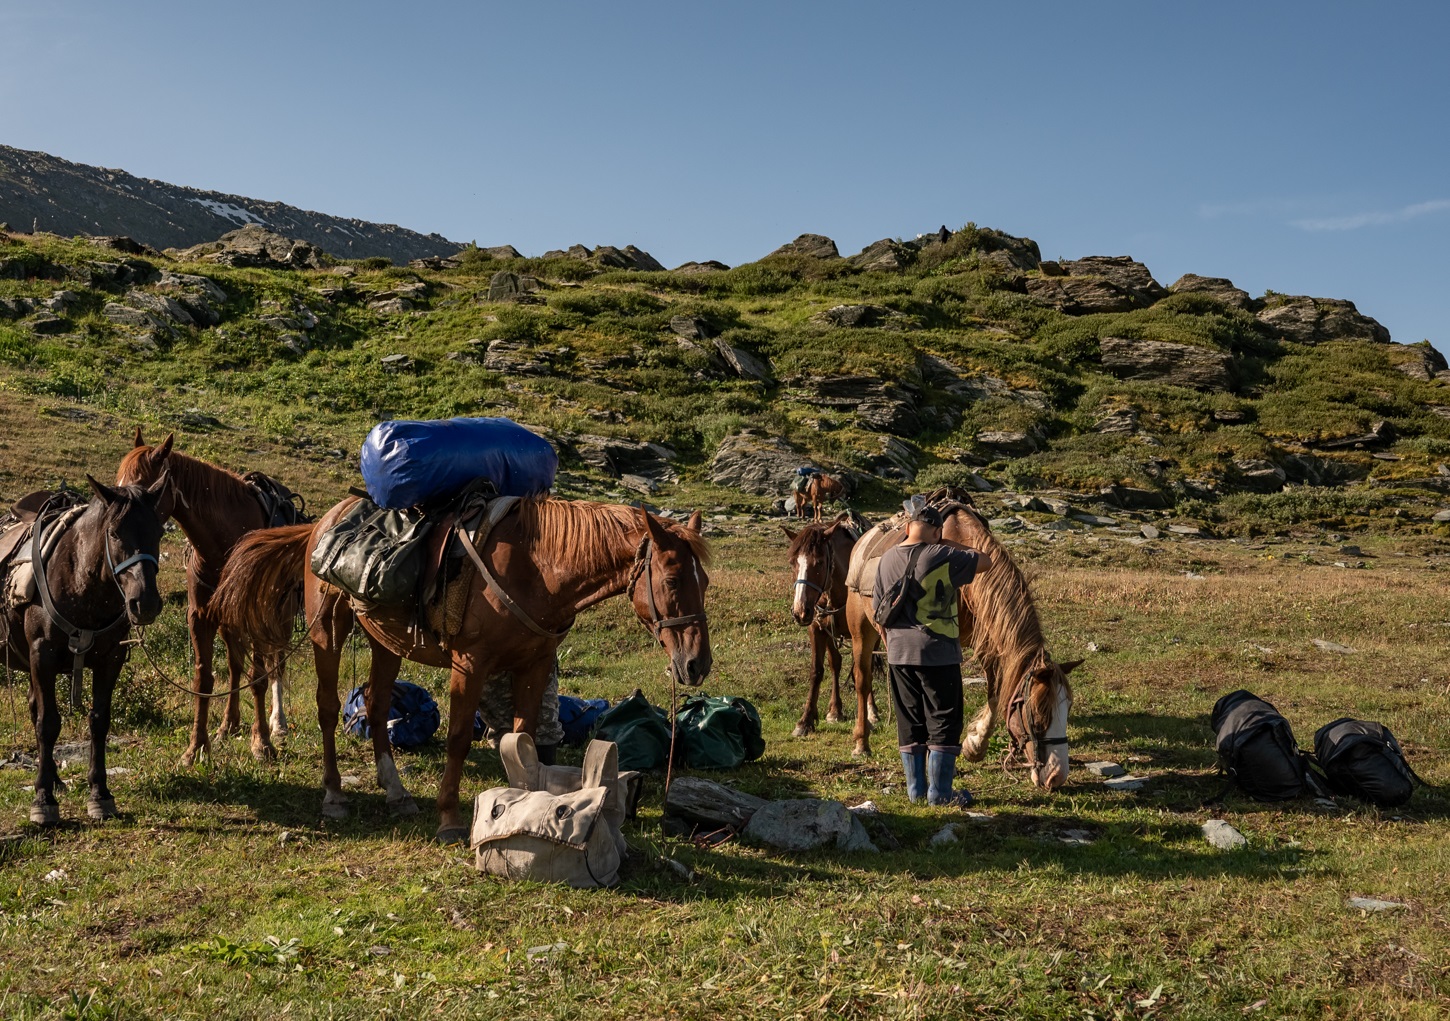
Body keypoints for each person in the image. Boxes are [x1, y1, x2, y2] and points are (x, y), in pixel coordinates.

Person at [872, 498, 989, 807]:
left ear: (908, 528)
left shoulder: (885, 560)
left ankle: (916, 792)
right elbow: (985, 560)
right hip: (939, 654)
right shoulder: (942, 555)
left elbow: (877, 613)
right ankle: (940, 794)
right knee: (944, 721)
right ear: (936, 532)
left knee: (910, 722)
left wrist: (893, 646)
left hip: (898, 654)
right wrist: (949, 542)